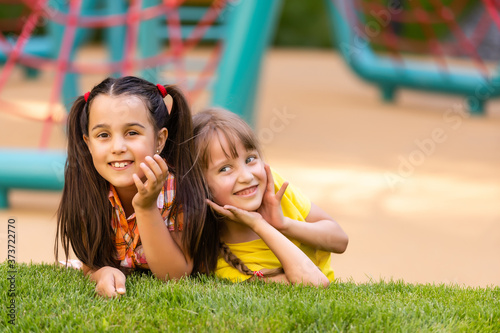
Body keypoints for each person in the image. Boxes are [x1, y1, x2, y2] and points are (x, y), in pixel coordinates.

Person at [55, 76, 218, 297]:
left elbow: (175, 275)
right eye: (103, 135)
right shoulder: (87, 188)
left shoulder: (179, 189)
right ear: (88, 144)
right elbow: (91, 261)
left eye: (132, 132)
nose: (118, 147)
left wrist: (146, 207)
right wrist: (100, 272)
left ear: (160, 140)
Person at [192, 108, 348, 287]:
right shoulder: (219, 261)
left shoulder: (270, 188)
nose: (247, 177)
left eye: (250, 159)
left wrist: (284, 224)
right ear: (201, 185)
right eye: (225, 169)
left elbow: (340, 241)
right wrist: (260, 225)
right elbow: (315, 285)